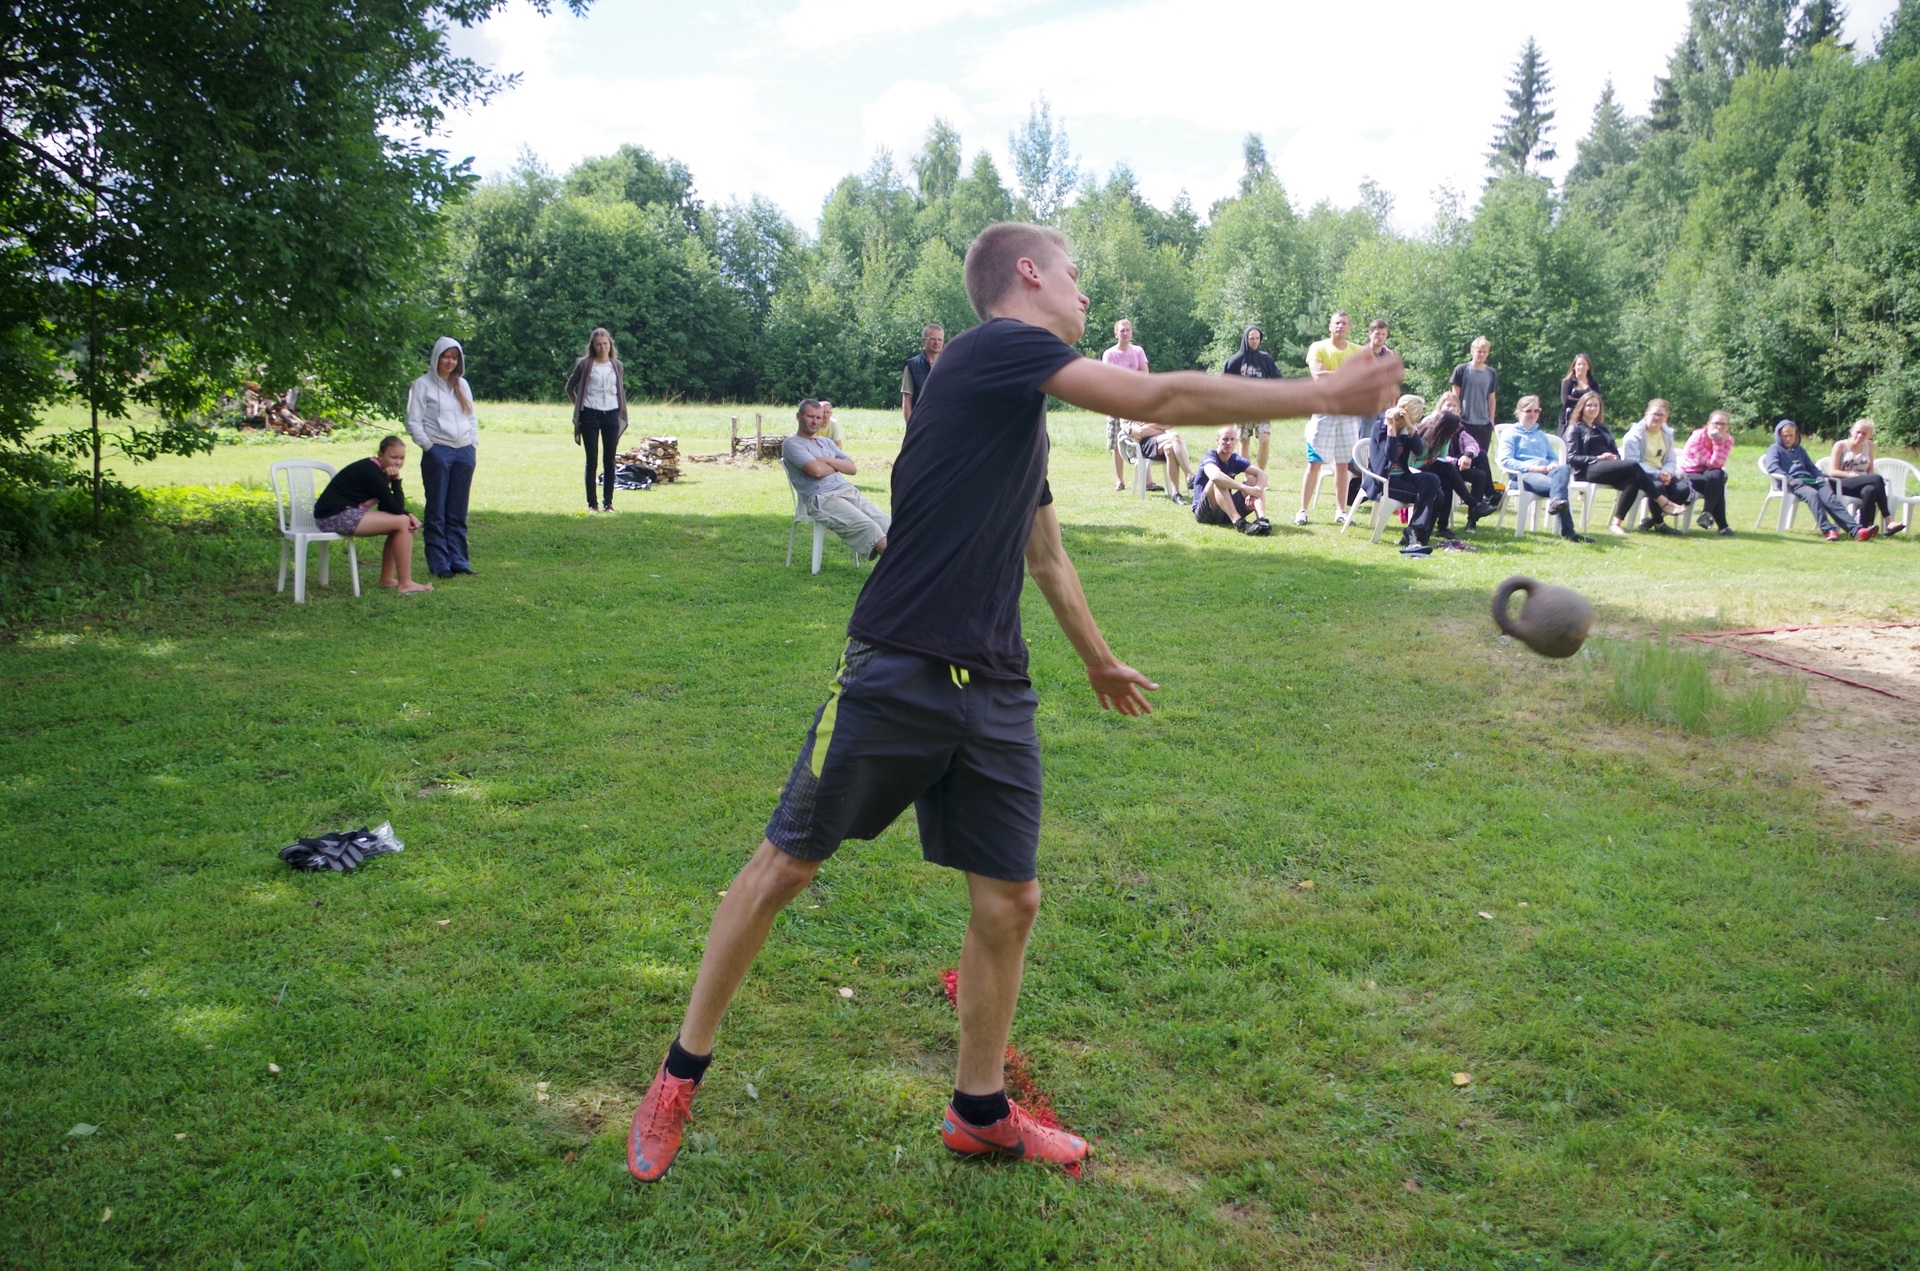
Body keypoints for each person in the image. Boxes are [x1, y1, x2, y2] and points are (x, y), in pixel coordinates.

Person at [625, 221, 1402, 1184]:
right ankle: (678, 1073)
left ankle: (979, 1110)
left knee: (1009, 899)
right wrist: (1325, 393)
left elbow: (1048, 556)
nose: (1085, 293)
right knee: (786, 864)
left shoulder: (1012, 408)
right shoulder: (994, 348)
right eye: (1076, 274)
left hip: (993, 683)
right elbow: (1158, 397)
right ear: (1028, 275)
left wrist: (1099, 662)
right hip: (899, 663)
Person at [310, 435, 433, 593]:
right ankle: (405, 583)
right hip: (333, 517)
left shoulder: (378, 469)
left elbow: (387, 506)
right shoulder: (372, 472)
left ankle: (387, 579)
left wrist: (407, 513)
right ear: (380, 455)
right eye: (393, 457)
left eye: (402, 458)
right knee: (402, 522)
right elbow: (395, 509)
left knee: (401, 522)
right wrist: (396, 481)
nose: (398, 462)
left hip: (343, 513)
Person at [405, 336, 478, 579]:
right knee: (437, 509)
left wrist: (472, 445)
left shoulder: (462, 385)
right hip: (438, 450)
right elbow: (413, 421)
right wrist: (429, 447)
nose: (450, 361)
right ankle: (440, 563)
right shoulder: (422, 385)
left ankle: (459, 560)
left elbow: (471, 418)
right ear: (437, 357)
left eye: (454, 357)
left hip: (464, 451)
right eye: (446, 356)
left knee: (458, 510)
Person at [781, 399, 890, 560]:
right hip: (823, 499)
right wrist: (838, 465)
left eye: (819, 417)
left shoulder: (826, 442)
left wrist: (826, 460)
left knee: (887, 522)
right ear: (799, 416)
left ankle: (916, 563)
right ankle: (901, 568)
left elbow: (852, 468)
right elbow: (816, 471)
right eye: (810, 416)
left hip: (847, 491)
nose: (815, 421)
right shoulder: (792, 443)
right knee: (870, 528)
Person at [1561, 392, 1665, 537]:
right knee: (1633, 465)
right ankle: (1662, 500)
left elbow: (1615, 451)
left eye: (1596, 405)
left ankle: (1616, 524)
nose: (1593, 408)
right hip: (1587, 469)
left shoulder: (1603, 428)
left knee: (1632, 481)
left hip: (1607, 467)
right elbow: (1572, 458)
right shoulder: (1575, 428)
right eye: (1589, 405)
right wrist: (1598, 458)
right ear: (1582, 408)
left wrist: (1614, 457)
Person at [1299, 312, 1366, 526]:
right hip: (1324, 410)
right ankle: (1302, 511)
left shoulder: (1357, 351)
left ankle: (1341, 511)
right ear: (1330, 326)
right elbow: (1318, 377)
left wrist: (1333, 374)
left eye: (1344, 323)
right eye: (1337, 322)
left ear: (1349, 327)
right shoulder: (1318, 347)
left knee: (1343, 464)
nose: (1340, 326)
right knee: (1314, 462)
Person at [1496, 396, 1588, 541]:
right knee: (1559, 488)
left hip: (1546, 472)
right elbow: (1505, 460)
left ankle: (1557, 505)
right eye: (1528, 411)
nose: (1533, 414)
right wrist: (1532, 468)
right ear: (1518, 412)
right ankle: (1569, 532)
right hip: (1523, 476)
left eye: (1536, 411)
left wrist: (1553, 464)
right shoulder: (1510, 433)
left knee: (1564, 469)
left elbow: (1552, 457)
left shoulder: (1540, 435)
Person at [1766, 419, 1875, 541]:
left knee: (1830, 498)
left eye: (1791, 435)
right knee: (1813, 495)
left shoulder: (1800, 450)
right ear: (1779, 435)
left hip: (1811, 480)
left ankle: (1856, 531)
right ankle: (1828, 530)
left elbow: (1811, 467)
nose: (1788, 438)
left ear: (1796, 435)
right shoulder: (1774, 449)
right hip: (1792, 483)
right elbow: (1773, 467)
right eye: (1785, 435)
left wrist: (1820, 477)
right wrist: (1790, 480)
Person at [564, 327, 629, 514]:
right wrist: (579, 404)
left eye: (605, 344)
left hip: (612, 414)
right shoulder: (585, 365)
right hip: (590, 414)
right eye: (598, 344)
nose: (602, 347)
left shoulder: (617, 365)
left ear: (610, 345)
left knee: (610, 460)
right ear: (593, 346)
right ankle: (592, 504)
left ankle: (608, 503)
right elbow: (569, 387)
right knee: (591, 460)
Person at [1375, 404, 1445, 557]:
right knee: (1434, 494)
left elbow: (1419, 451)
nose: (1420, 418)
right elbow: (1391, 455)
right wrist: (1392, 429)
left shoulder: (1406, 431)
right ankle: (1415, 535)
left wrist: (1410, 427)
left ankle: (1417, 535)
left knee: (1433, 482)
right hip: (1386, 481)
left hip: (1402, 476)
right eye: (1418, 414)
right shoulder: (1380, 427)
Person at [1619, 399, 1694, 534]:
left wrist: (1667, 472)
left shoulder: (1667, 435)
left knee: (1683, 490)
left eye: (1661, 415)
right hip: (1640, 475)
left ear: (1666, 417)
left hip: (1661, 473)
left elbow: (1671, 459)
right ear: (1646, 414)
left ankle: (1652, 520)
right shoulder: (1634, 435)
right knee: (1658, 487)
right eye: (1654, 414)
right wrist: (1657, 474)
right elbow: (1633, 463)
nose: (1657, 418)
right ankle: (1659, 524)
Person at [1825, 418, 1904, 536]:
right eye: (1858, 432)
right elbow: (1832, 471)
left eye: (1864, 433)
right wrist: (1850, 475)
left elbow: (1870, 469)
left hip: (1861, 483)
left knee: (1870, 490)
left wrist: (1872, 482)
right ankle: (1888, 519)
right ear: (1852, 431)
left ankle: (1863, 529)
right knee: (1877, 478)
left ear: (1869, 435)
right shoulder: (1841, 445)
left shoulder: (1869, 446)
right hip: (1840, 483)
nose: (1860, 436)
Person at [1192, 426, 1270, 535]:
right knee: (1218, 481)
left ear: (1236, 441)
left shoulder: (1235, 459)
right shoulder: (1210, 457)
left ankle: (1262, 521)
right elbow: (1215, 477)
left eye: (1232, 439)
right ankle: (1239, 523)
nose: (1229, 442)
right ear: (1217, 440)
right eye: (1225, 439)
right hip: (1205, 512)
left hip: (1225, 510)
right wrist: (1244, 488)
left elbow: (1262, 475)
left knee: (1254, 481)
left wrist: (1255, 491)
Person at [1221, 325, 1279, 471]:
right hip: (1241, 408)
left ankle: (1260, 474)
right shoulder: (1235, 360)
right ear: (1246, 339)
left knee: (1265, 439)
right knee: (1244, 441)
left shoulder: (1266, 359)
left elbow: (1278, 380)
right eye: (1252, 338)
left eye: (1257, 338)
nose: (1254, 341)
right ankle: (1249, 476)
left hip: (1262, 407)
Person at [1102, 318, 1151, 490]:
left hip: (1137, 401)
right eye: (1121, 330)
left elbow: (1145, 373)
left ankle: (1148, 481)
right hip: (1116, 402)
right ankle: (1120, 481)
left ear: (1131, 333)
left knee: (1142, 437)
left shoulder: (1138, 351)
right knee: (1117, 441)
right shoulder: (1110, 354)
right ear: (1116, 333)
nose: (1125, 333)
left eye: (1127, 330)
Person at [1680, 409, 1737, 536]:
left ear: (1727, 427)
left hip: (1708, 472)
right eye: (1716, 423)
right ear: (1708, 424)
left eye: (1723, 424)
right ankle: (1722, 526)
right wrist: (1718, 442)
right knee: (1717, 483)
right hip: (1690, 473)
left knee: (1718, 475)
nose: (1719, 427)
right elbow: (1711, 463)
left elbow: (1718, 464)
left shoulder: (1728, 440)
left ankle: (1706, 513)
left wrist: (1718, 441)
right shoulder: (1697, 437)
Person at [1449, 336, 1500, 456]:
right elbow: (1454, 397)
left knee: (1481, 456)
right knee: (1462, 455)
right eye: (1479, 351)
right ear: (1472, 351)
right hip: (1464, 421)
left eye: (1484, 352)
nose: (1481, 354)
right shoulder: (1461, 370)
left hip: (1483, 423)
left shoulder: (1491, 373)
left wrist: (1491, 420)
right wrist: (1455, 417)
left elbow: (1491, 398)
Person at [901, 325, 944, 423]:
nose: (937, 342)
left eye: (940, 339)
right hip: (921, 422)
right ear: (923, 341)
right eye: (933, 339)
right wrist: (911, 426)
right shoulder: (912, 366)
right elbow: (907, 400)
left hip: (943, 422)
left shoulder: (949, 364)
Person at [1559, 353, 1599, 428]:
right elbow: (1566, 401)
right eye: (1579, 364)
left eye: (1584, 364)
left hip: (1589, 419)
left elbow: (1597, 401)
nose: (1581, 367)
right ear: (1574, 367)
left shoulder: (1593, 384)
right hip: (1569, 419)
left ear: (1588, 367)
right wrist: (1587, 402)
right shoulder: (1567, 382)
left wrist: (1573, 399)